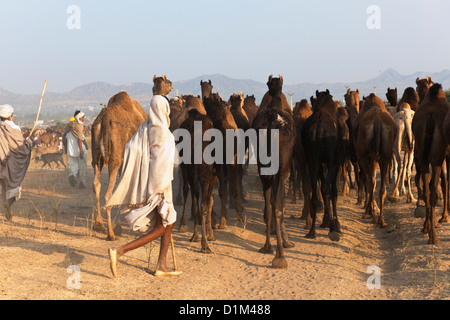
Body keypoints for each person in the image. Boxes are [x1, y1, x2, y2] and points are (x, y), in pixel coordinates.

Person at [105, 75, 181, 278]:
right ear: (163, 109)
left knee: (169, 222)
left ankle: (161, 265)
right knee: (161, 226)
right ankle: (119, 251)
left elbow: (133, 151)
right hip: (160, 186)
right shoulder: (163, 134)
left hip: (153, 184)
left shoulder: (145, 128)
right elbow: (168, 164)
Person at [0, 104, 31, 220]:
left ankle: (6, 205)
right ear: (10, 116)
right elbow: (20, 148)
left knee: (2, 185)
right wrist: (27, 144)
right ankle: (8, 205)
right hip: (10, 163)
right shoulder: (14, 129)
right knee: (12, 185)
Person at [65, 111, 88, 188]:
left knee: (74, 166)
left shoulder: (69, 126)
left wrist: (66, 149)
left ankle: (72, 175)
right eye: (82, 117)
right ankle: (82, 183)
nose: (83, 118)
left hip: (70, 150)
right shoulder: (80, 126)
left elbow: (65, 139)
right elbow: (80, 139)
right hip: (79, 150)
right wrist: (81, 150)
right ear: (79, 117)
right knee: (82, 167)